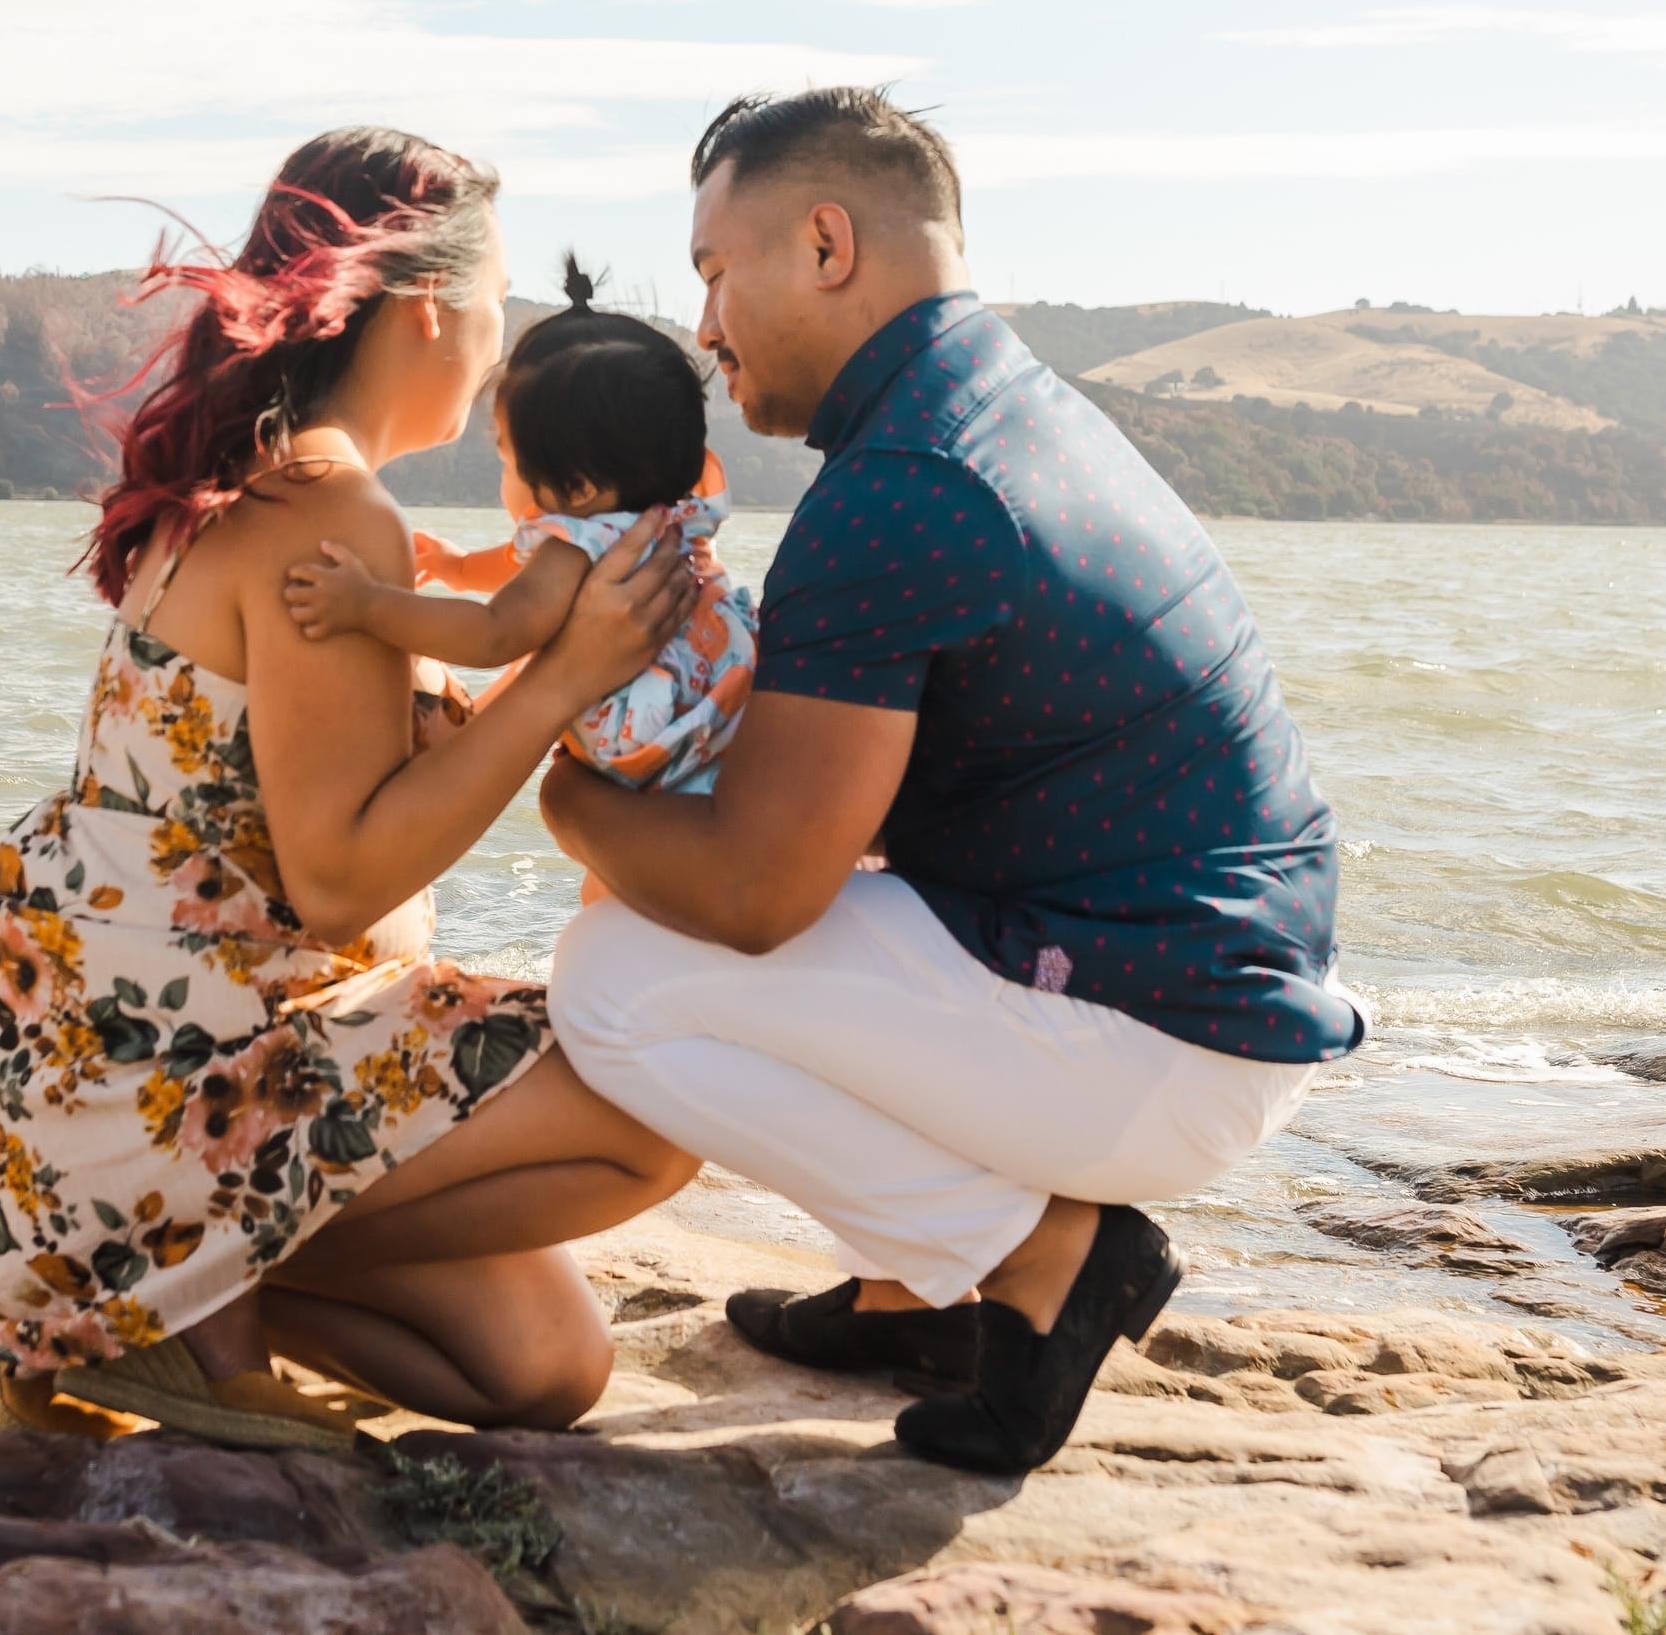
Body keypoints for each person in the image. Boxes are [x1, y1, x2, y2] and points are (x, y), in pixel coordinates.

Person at [542, 89, 1362, 1475]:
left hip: (1165, 1044)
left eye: (715, 272)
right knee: (712, 909)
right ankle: (914, 1294)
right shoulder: (994, 406)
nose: (706, 327)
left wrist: (562, 786)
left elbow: (757, 895)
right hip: (1213, 997)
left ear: (825, 245)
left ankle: (1048, 1261)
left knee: (614, 974)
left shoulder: (905, 481)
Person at [0, 127, 700, 1452]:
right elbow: (337, 879)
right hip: (190, 1080)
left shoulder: (253, 486)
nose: (503, 338)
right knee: (664, 1098)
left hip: (121, 1073)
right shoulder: (331, 516)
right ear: (431, 308)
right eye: (498, 298)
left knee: (542, 1368)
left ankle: (116, 1293)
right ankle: (157, 1296)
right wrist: (561, 679)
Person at [282, 253, 758, 808]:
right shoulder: (676, 521)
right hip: (730, 712)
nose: (504, 479)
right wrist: (458, 568)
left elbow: (495, 633)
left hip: (659, 744)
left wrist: (366, 605)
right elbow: (522, 569)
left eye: (508, 461)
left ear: (577, 488)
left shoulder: (574, 550)